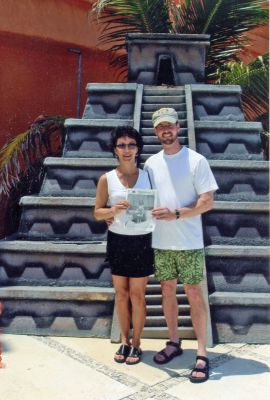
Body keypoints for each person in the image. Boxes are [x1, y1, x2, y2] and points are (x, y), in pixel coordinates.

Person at [144, 107, 218, 383]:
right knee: (166, 291)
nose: (166, 130)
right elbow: (146, 199)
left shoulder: (196, 160)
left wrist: (177, 214)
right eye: (160, 127)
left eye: (170, 126)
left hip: (189, 241)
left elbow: (207, 201)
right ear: (155, 131)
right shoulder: (151, 163)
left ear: (178, 127)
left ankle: (201, 351)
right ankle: (174, 342)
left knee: (194, 293)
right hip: (161, 241)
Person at [94, 126, 154, 365]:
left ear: (138, 148)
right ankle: (124, 340)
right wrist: (112, 210)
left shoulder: (149, 175)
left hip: (142, 240)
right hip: (118, 241)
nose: (127, 149)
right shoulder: (106, 179)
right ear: (115, 149)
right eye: (122, 145)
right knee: (121, 294)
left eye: (131, 144)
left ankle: (137, 343)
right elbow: (97, 212)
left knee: (138, 295)